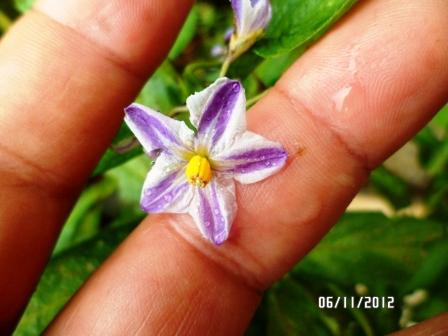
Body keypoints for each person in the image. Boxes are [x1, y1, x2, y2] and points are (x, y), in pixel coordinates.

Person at [0, 0, 447, 334]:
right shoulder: (195, 169)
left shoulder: (208, 154)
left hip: (202, 140)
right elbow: (162, 189)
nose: (199, 175)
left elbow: (244, 122)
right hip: (199, 143)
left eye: (198, 174)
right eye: (198, 175)